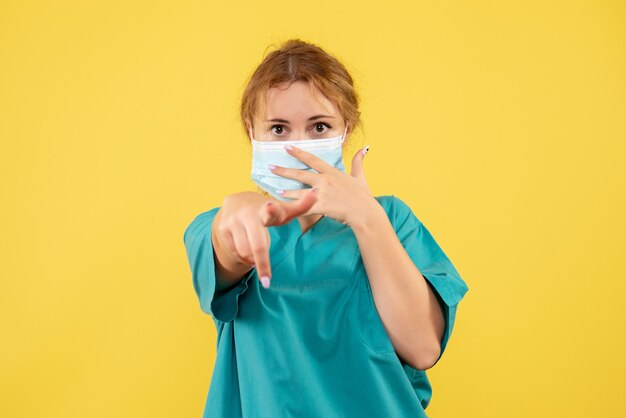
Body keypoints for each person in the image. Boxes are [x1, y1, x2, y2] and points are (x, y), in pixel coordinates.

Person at [183, 38, 469, 418]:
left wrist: (367, 219)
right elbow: (226, 245)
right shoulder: (228, 224)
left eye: (319, 127)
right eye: (279, 129)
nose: (299, 145)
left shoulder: (392, 221)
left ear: (346, 130)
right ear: (252, 132)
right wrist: (235, 216)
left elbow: (423, 348)